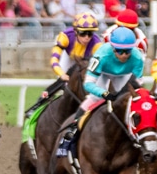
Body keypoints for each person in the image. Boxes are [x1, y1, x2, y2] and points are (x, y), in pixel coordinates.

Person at [56, 27, 145, 155]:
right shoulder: (101, 56)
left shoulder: (137, 57)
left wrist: (123, 94)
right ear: (113, 48)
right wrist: (104, 93)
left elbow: (137, 84)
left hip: (123, 75)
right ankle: (70, 136)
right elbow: (88, 84)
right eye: (120, 51)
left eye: (128, 51)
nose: (124, 55)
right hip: (103, 73)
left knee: (129, 100)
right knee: (94, 99)